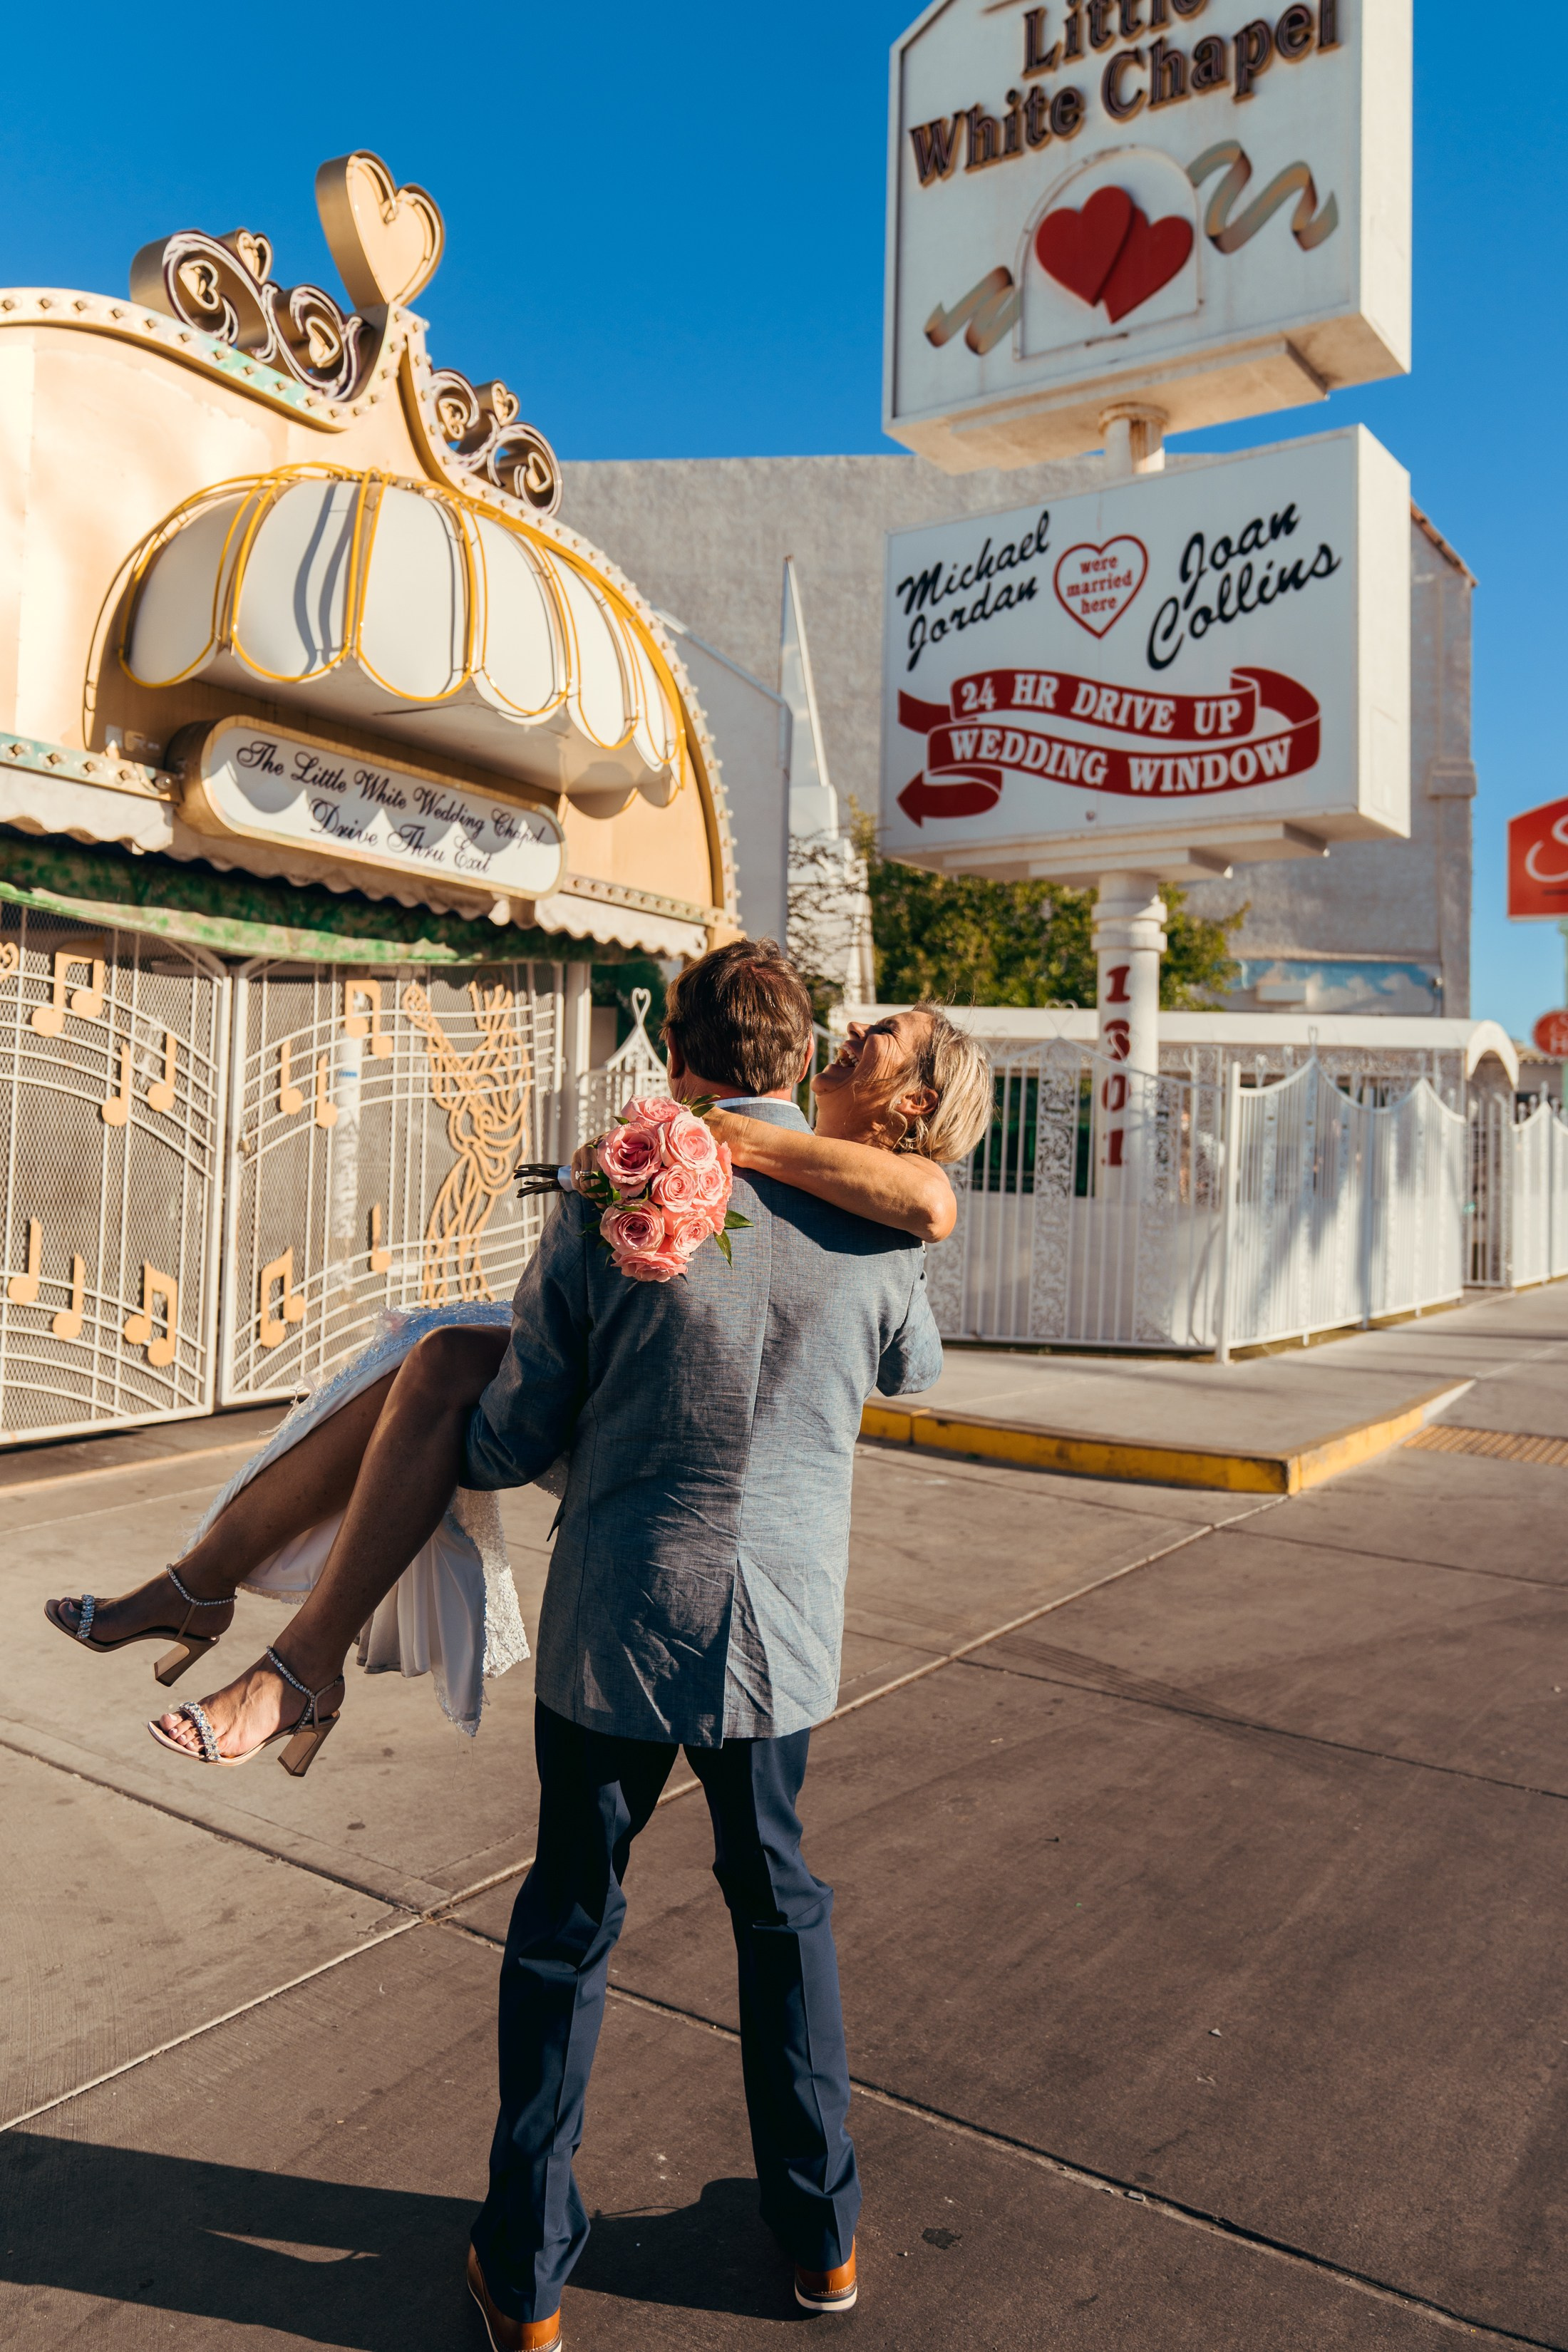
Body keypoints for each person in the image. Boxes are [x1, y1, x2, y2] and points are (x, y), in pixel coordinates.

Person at [43, 976, 992, 1773]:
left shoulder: (705, 1180)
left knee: (439, 1363)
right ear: (794, 1059)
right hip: (780, 1616)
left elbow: (512, 1445)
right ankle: (230, 1608)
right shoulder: (880, 1227)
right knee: (442, 1352)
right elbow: (912, 1367)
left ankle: (248, 1622)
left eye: (883, 1033)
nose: (858, 1031)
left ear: (671, 1050)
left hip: (636, 1532)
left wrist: (695, 1145)